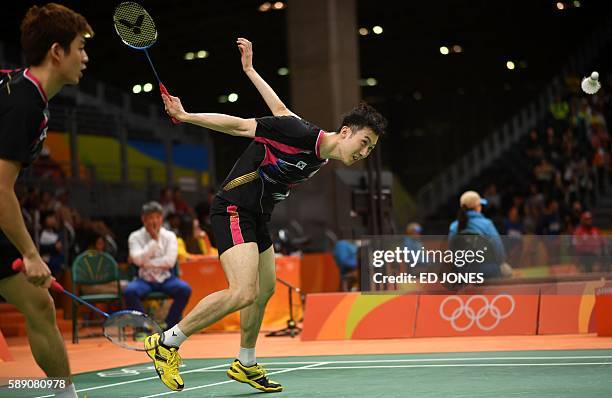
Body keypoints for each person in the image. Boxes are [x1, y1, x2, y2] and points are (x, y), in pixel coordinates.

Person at [145, 37, 387, 393]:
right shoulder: (301, 134)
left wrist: (250, 71)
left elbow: (280, 109)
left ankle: (245, 362)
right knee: (243, 292)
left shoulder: (317, 149)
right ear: (346, 132)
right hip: (233, 207)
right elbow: (240, 125)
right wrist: (186, 116)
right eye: (364, 142)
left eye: (370, 149)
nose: (364, 152)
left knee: (265, 290)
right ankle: (167, 342)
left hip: (258, 215)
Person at [0, 4, 92, 397]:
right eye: (79, 48)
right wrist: (31, 253)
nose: (85, 58)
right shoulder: (23, 104)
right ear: (57, 52)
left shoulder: (26, 93)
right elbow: (0, 188)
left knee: (39, 304)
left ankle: (64, 394)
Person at [124, 201, 192, 329]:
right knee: (130, 291)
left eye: (157, 217)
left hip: (166, 278)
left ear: (161, 218)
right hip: (144, 279)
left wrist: (146, 262)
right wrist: (154, 241)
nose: (154, 221)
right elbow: (137, 260)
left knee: (185, 289)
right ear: (143, 219)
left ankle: (169, 325)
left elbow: (169, 262)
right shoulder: (135, 237)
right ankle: (144, 326)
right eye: (150, 217)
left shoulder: (170, 236)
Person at [448, 190, 512, 279]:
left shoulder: (453, 226)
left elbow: (451, 251)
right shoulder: (486, 224)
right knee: (507, 272)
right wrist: (501, 262)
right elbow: (498, 247)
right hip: (488, 270)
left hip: (463, 273)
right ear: (478, 207)